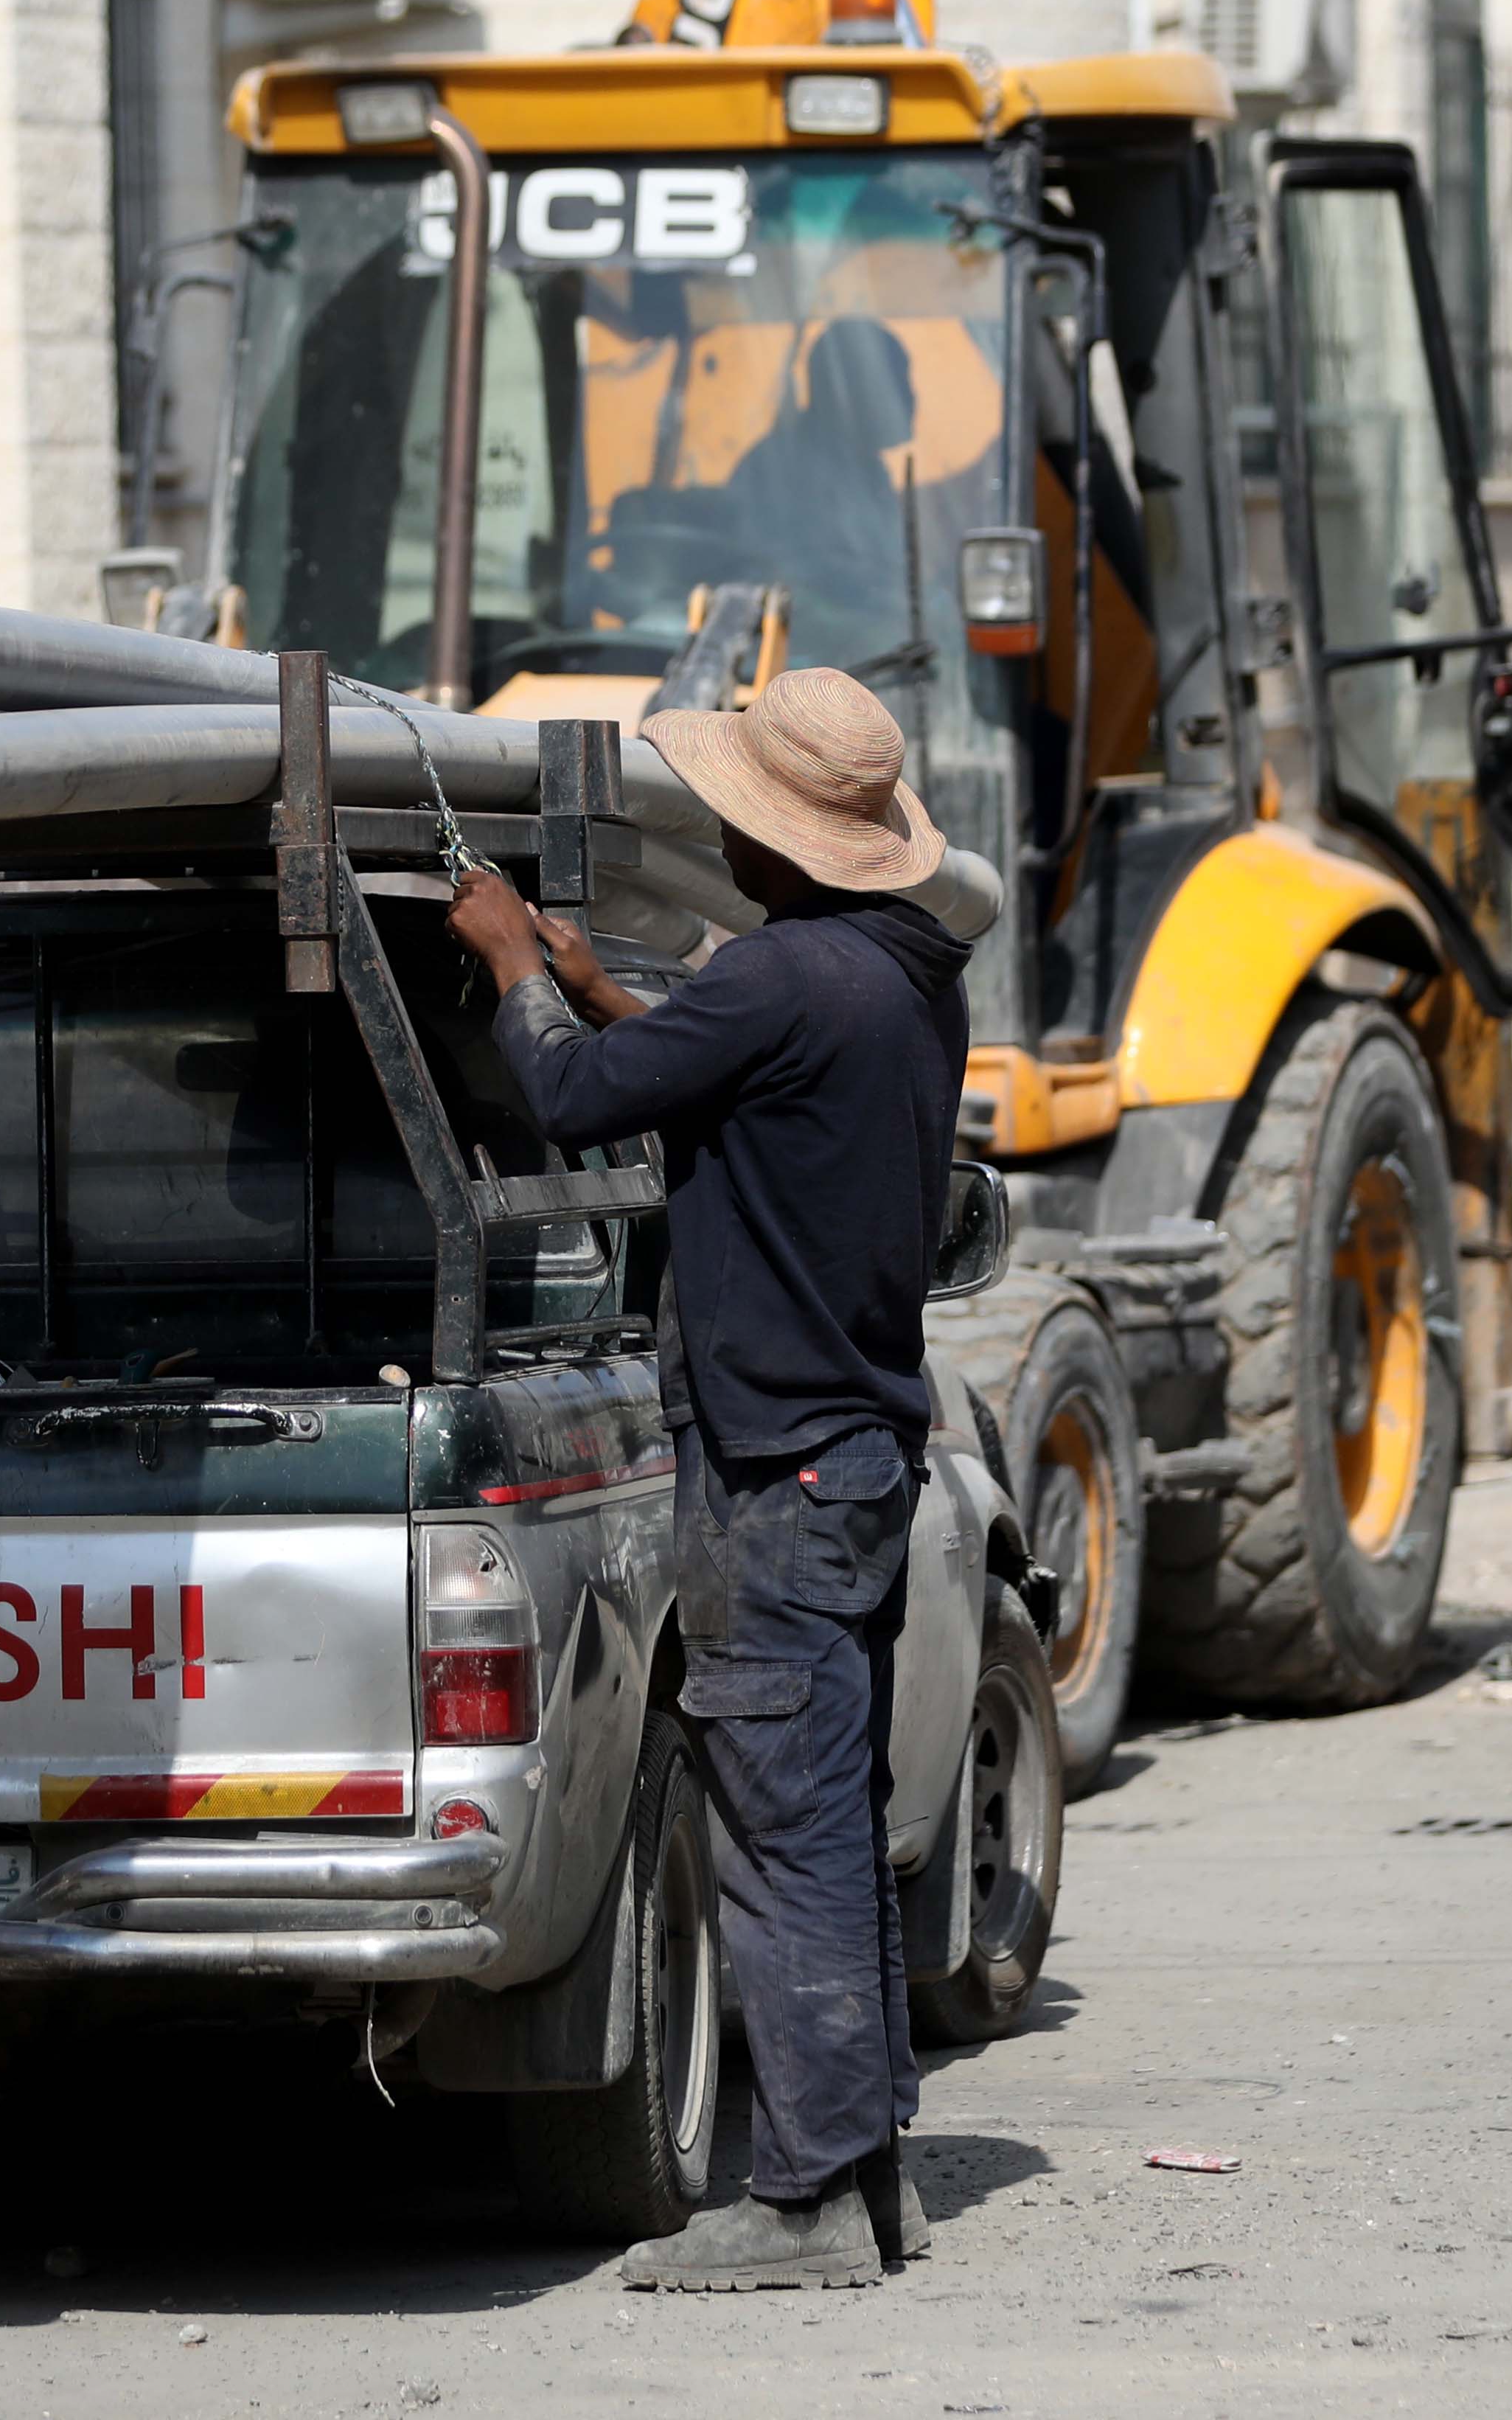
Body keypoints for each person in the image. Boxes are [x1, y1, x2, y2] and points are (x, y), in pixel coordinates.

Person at [442, 663, 970, 2290]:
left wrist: (519, 970)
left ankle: (804, 2197)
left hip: (773, 1465)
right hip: (857, 1456)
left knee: (780, 1827)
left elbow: (576, 1103)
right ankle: (863, 2170)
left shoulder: (782, 970)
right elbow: (721, 1072)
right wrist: (610, 990)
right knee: (831, 1818)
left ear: (779, 840)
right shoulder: (901, 970)